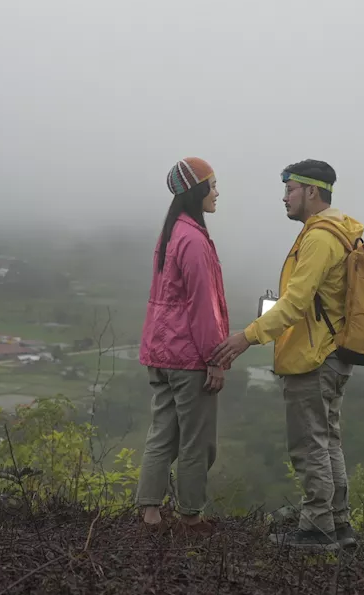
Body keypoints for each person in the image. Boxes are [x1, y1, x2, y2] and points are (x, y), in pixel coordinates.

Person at [211, 159, 362, 550]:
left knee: (310, 445)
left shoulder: (319, 238)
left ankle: (316, 529)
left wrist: (247, 336)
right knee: (328, 441)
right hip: (333, 355)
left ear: (312, 191)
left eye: (290, 189)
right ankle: (338, 524)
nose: (284, 197)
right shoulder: (339, 232)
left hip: (313, 358)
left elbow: (295, 304)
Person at [136, 157, 229, 535]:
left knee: (163, 433)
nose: (217, 192)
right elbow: (202, 307)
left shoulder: (170, 234)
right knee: (197, 440)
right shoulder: (193, 240)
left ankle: (150, 511)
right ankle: (190, 515)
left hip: (160, 353)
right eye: (213, 184)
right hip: (188, 357)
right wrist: (216, 359)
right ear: (197, 190)